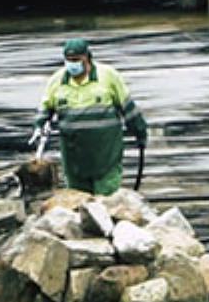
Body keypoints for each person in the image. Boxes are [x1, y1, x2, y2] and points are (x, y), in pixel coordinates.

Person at [31, 38, 148, 195]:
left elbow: (129, 109)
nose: (73, 64)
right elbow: (45, 109)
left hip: (105, 156)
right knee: (78, 203)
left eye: (77, 60)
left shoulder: (108, 76)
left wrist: (140, 132)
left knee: (106, 202)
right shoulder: (56, 81)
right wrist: (39, 126)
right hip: (75, 160)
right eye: (69, 60)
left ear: (88, 57)